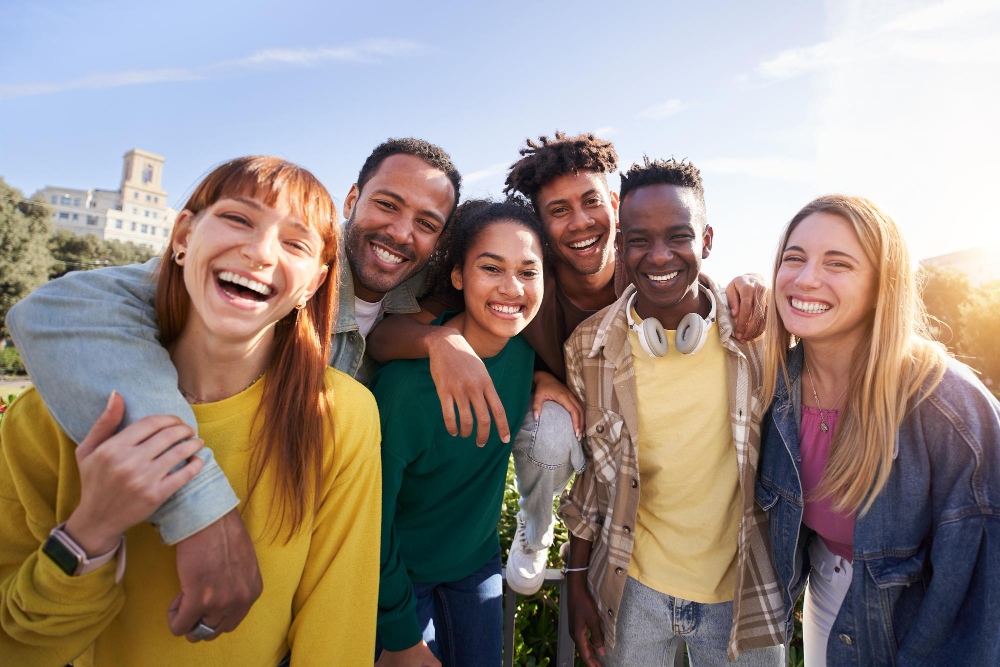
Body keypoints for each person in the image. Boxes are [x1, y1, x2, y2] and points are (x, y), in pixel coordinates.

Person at [4, 138, 460, 638]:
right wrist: (199, 505)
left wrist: (447, 343)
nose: (400, 231)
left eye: (426, 223)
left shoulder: (415, 305)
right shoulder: (264, 271)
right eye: (387, 204)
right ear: (352, 200)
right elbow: (68, 307)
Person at [366, 132, 767, 595]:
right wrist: (443, 343)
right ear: (540, 224)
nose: (579, 223)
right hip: (554, 421)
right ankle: (535, 529)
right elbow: (385, 335)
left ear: (614, 205)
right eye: (558, 211)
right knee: (551, 435)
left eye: (590, 202)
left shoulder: (640, 268)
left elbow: (686, 274)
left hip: (623, 429)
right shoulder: (524, 278)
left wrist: (752, 281)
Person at [558, 157, 785, 666]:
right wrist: (576, 584)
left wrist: (760, 283)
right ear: (622, 247)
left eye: (678, 236)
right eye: (639, 240)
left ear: (706, 241)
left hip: (742, 592)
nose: (659, 256)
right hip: (629, 589)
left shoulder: (758, 337)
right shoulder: (588, 348)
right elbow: (592, 478)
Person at [757, 195, 1000, 666]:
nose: (807, 279)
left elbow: (982, 598)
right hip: (827, 598)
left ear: (881, 287)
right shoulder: (775, 388)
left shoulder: (950, 407)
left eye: (838, 263)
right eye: (794, 258)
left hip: (924, 625)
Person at [372, 198, 545, 667]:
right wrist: (400, 634)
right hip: (399, 577)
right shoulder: (407, 389)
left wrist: (544, 379)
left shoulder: (528, 350)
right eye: (492, 268)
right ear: (457, 276)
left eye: (528, 272)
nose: (513, 288)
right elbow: (372, 523)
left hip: (476, 562)